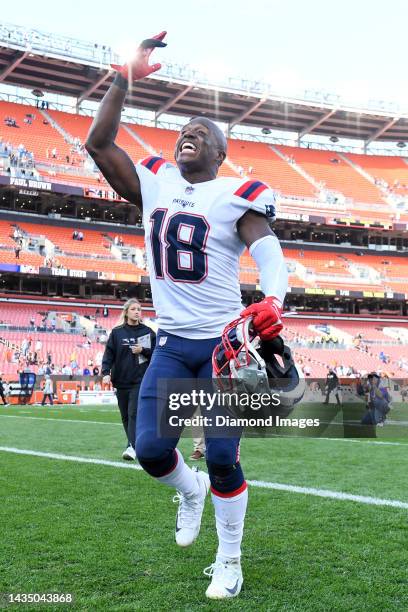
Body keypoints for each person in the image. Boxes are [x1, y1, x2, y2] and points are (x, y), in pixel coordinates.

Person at [86, 32, 286, 600]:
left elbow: (267, 249)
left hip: (222, 347)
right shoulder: (155, 181)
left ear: (221, 153)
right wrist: (124, 76)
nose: (188, 137)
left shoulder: (234, 194)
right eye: (183, 132)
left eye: (202, 134)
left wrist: (272, 300)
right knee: (151, 452)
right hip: (172, 345)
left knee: (223, 455)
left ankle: (229, 559)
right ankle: (188, 490)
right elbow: (100, 142)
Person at [101, 299, 156, 460]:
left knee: (133, 413)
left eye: (139, 309)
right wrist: (105, 373)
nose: (137, 312)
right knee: (125, 415)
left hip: (140, 380)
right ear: (126, 312)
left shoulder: (148, 332)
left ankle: (131, 447)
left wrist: (143, 350)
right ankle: (135, 444)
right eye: (133, 309)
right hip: (120, 380)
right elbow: (108, 355)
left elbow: (158, 354)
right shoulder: (117, 333)